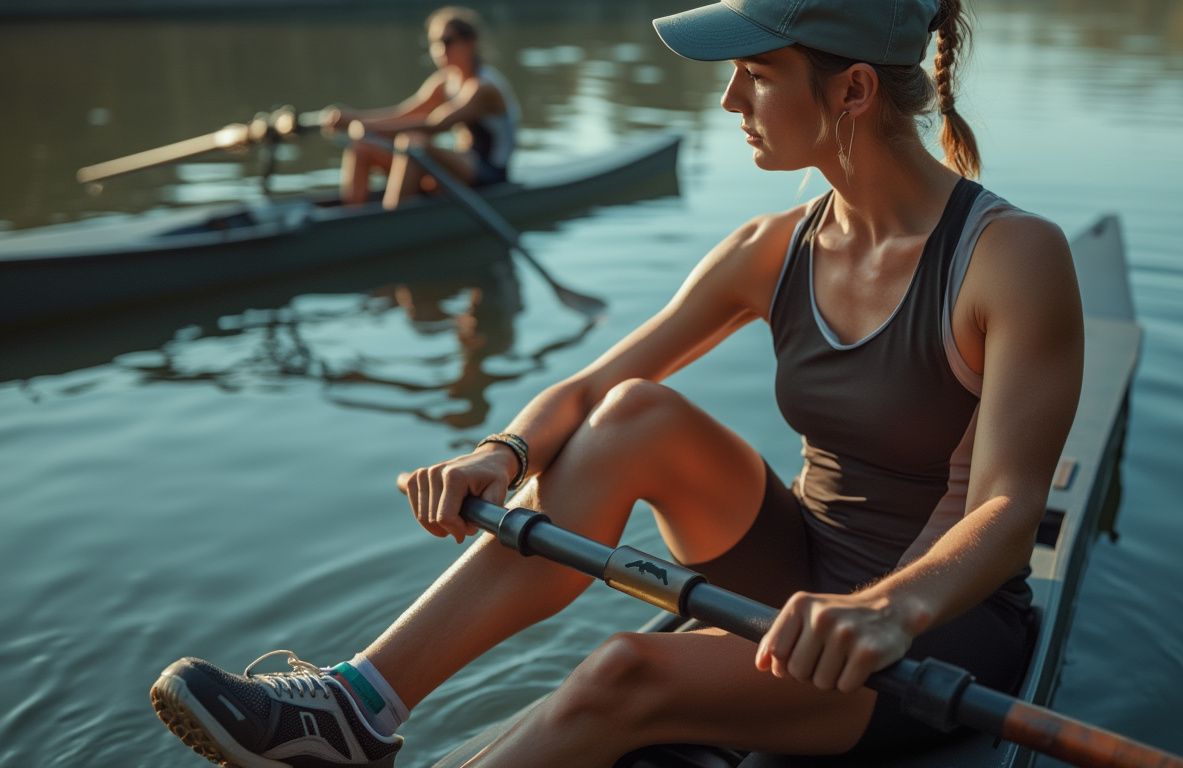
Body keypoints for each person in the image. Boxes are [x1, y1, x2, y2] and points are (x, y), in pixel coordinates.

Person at [149, 0, 1085, 765]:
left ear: (851, 89)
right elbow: (596, 384)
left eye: (756, 76)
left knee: (618, 675)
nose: (728, 101)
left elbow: (1004, 514)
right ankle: (359, 704)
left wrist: (887, 610)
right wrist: (499, 452)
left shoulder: (1009, 259)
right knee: (633, 413)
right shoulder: (771, 248)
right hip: (801, 567)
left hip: (934, 625)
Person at [322, 6, 520, 209]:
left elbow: (434, 124)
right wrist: (355, 120)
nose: (439, 51)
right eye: (435, 43)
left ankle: (391, 221)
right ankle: (351, 214)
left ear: (469, 42)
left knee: (414, 144)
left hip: (490, 173)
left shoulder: (484, 88)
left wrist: (366, 127)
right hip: (460, 166)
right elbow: (404, 113)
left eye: (447, 41)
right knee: (362, 145)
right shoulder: (444, 82)